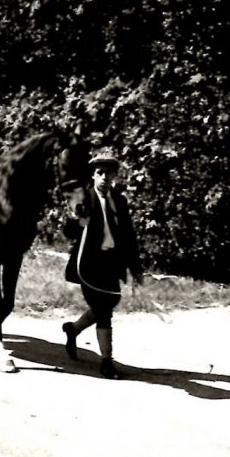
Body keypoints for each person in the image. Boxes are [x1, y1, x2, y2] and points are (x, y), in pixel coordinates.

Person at [62, 151, 143, 379]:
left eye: (110, 173)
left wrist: (135, 267)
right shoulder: (83, 200)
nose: (105, 178)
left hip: (111, 263)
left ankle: (73, 329)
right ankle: (106, 362)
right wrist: (78, 220)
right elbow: (68, 232)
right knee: (103, 311)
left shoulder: (120, 201)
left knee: (108, 303)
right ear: (93, 176)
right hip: (89, 265)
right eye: (100, 173)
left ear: (115, 175)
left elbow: (128, 236)